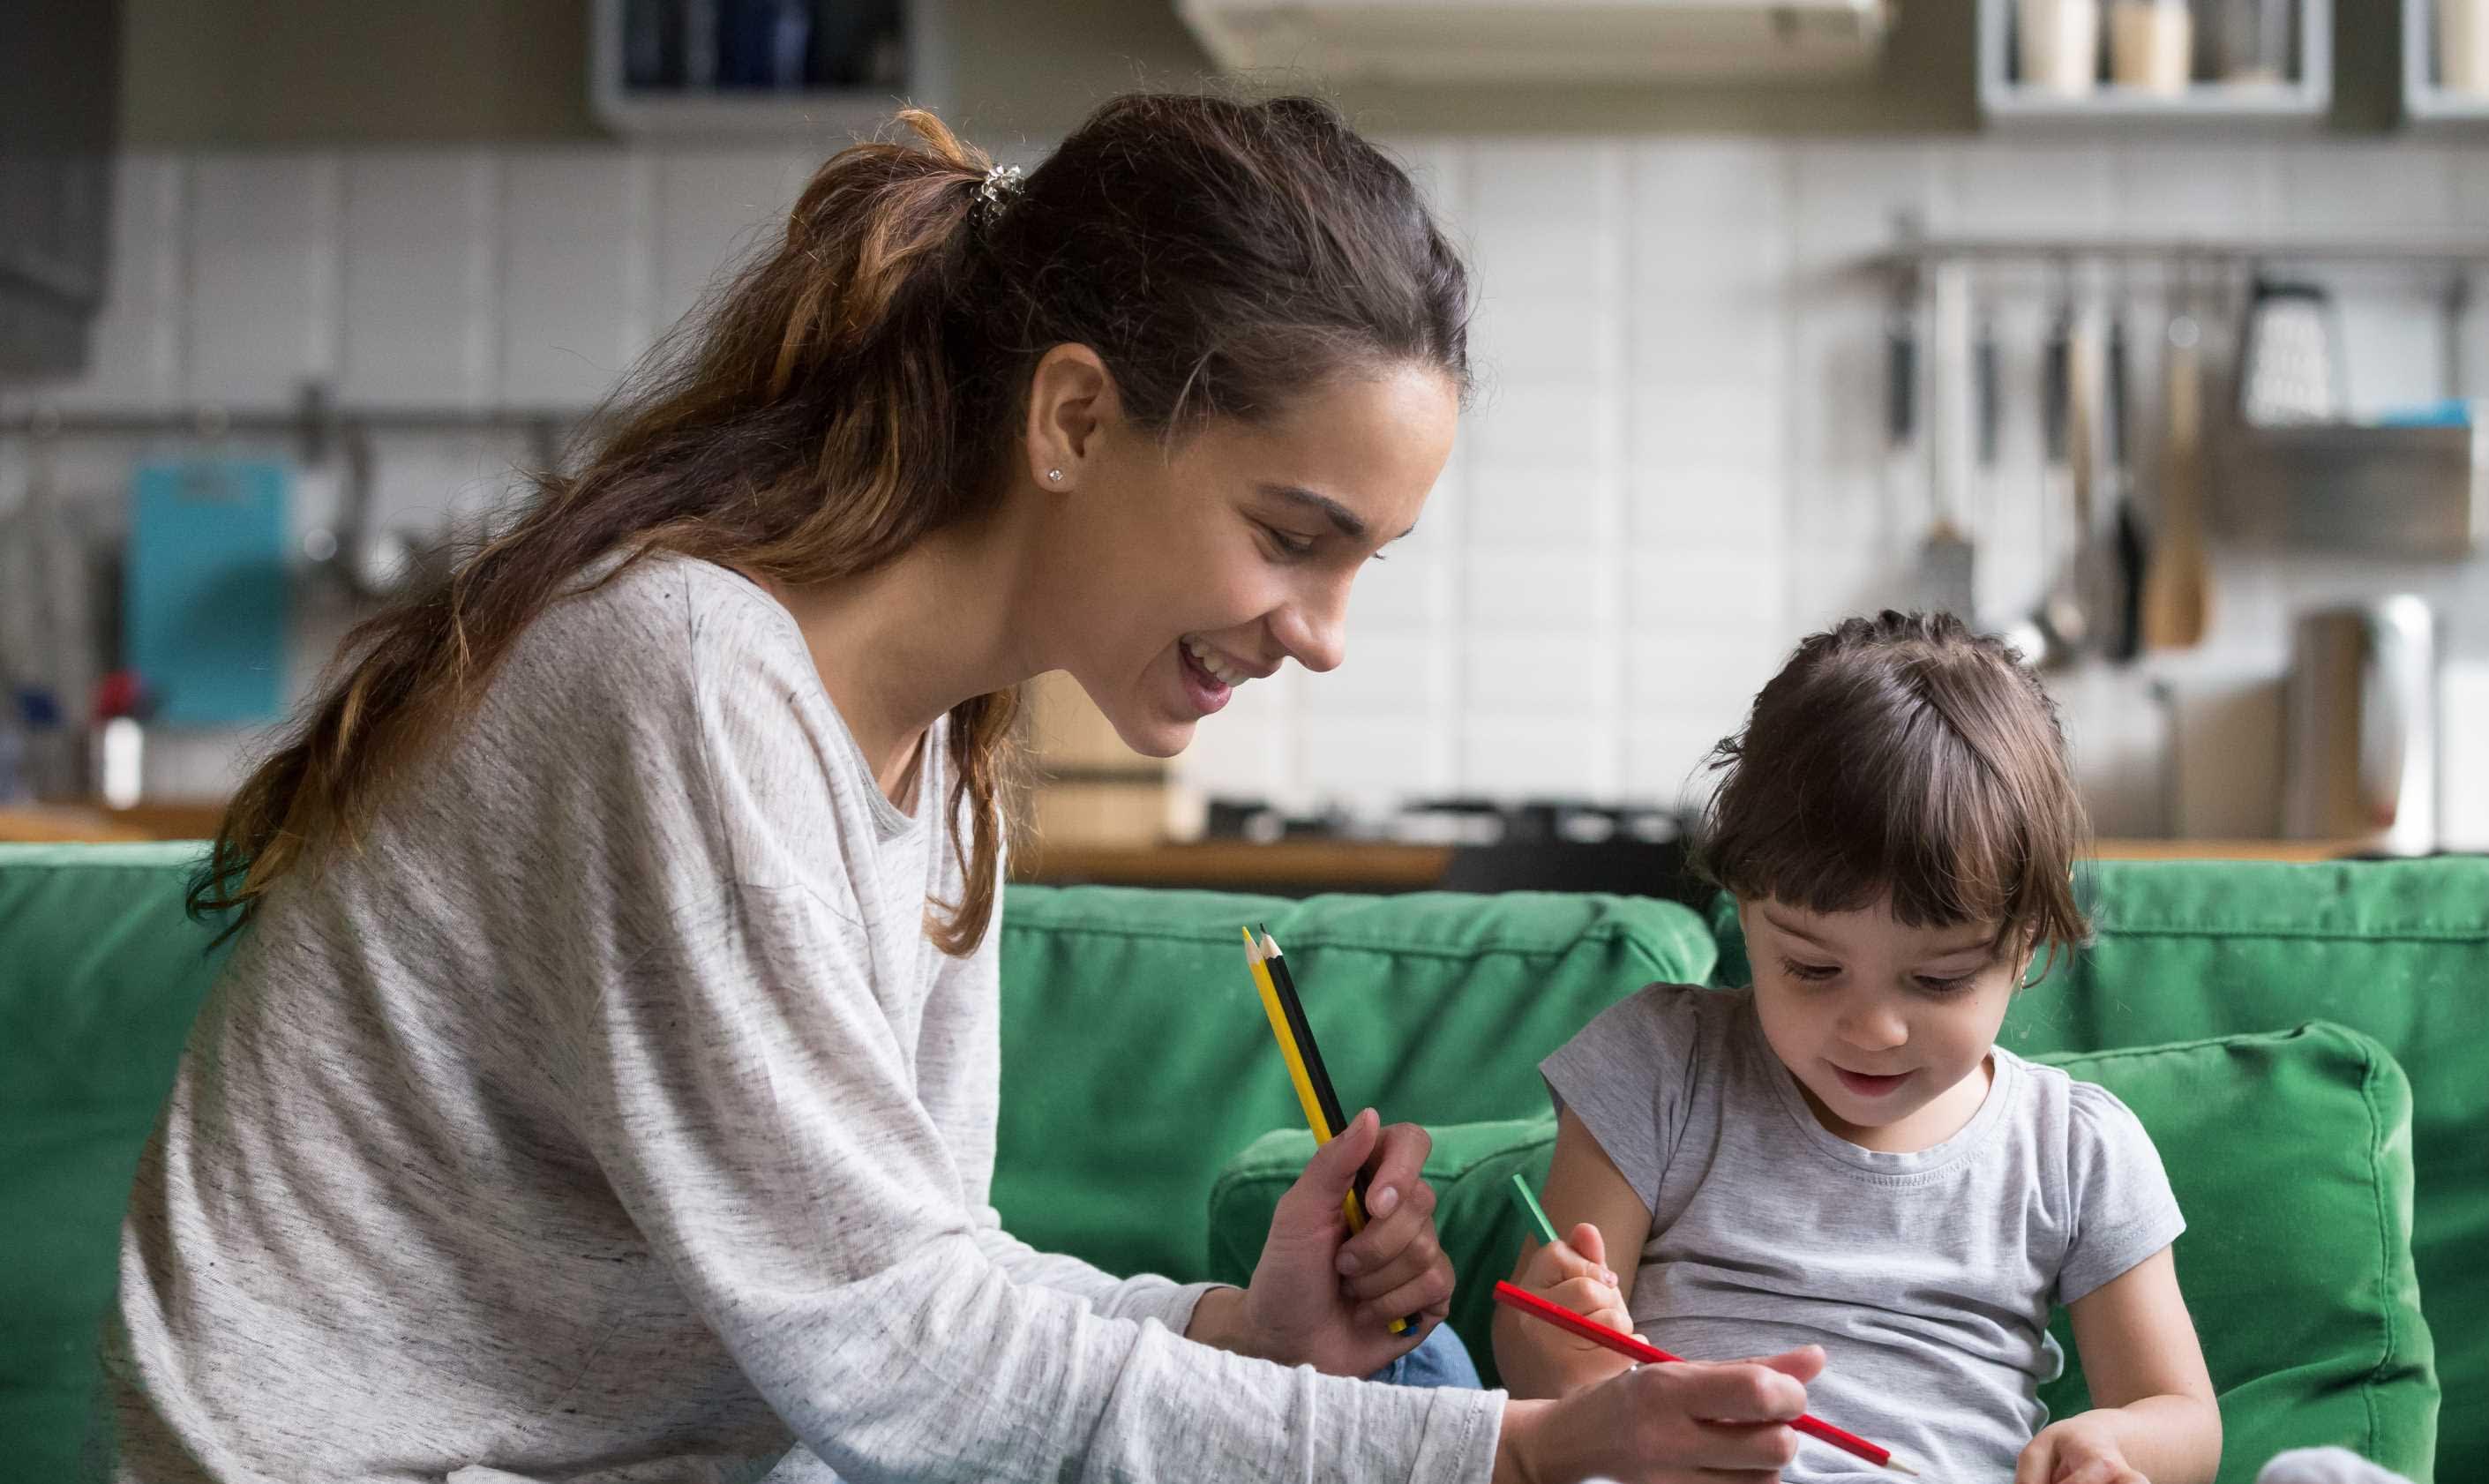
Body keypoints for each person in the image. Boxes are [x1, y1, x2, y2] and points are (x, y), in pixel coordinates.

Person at [98, 94, 1829, 1484]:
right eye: (1293, 538)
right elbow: (894, 1352)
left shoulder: (945, 758)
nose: (1323, 634)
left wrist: (1238, 1330)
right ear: (1074, 420)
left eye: (1361, 563)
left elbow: (916, 1274)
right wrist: (1497, 1455)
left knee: (1405, 1382)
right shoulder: (686, 680)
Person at [1496, 612, 2223, 1484]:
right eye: (1810, 966)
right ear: (1746, 906)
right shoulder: (1663, 1062)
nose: (1872, 1028)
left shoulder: (2075, 1148)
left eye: (1938, 979)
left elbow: (2181, 1417)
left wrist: (2114, 1444)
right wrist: (1568, 1357)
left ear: (2025, 944)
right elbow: (1541, 1363)